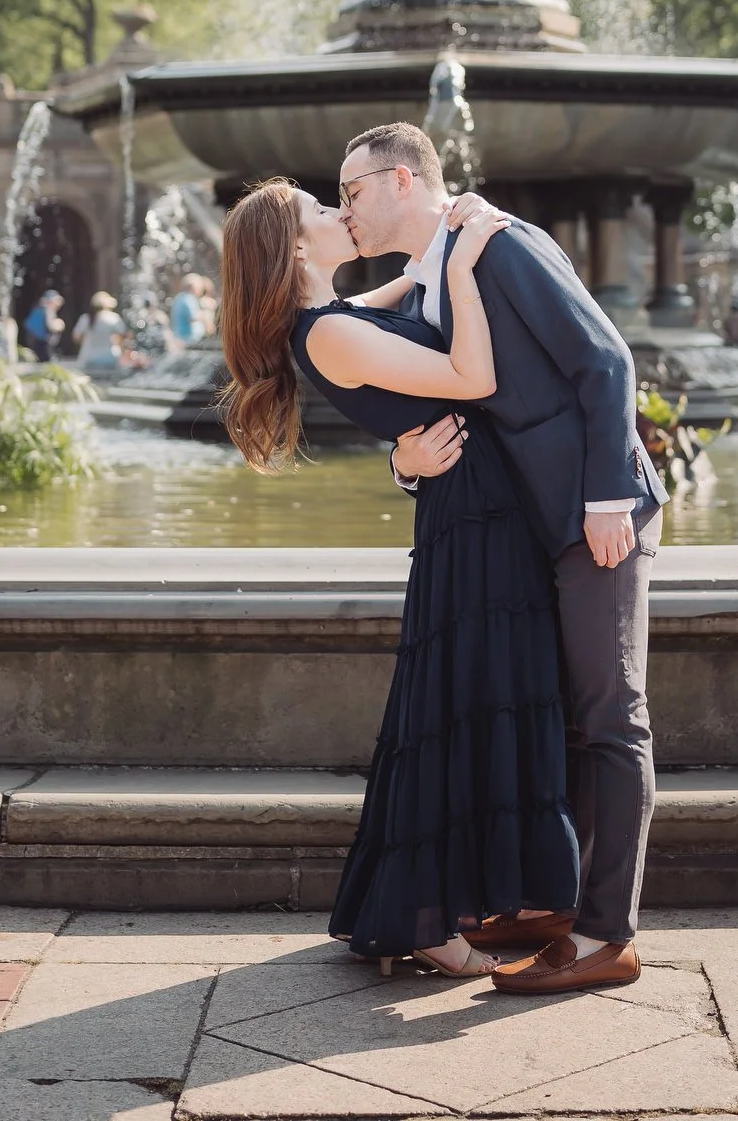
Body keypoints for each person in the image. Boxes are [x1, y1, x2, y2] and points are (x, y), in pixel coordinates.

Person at [219, 178, 580, 980]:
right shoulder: (329, 334)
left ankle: (469, 901)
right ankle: (430, 919)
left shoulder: (331, 319)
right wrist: (464, 262)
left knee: (468, 705)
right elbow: (472, 377)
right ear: (296, 249)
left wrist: (447, 237)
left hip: (473, 509)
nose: (337, 213)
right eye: (321, 211)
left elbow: (405, 287)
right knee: (456, 711)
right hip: (472, 523)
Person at [341, 122, 667, 996]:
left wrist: (607, 498)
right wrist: (404, 464)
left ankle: (609, 936)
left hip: (597, 518)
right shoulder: (432, 281)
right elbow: (447, 409)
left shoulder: (502, 244)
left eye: (353, 191)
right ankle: (558, 905)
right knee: (564, 721)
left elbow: (606, 360)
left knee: (611, 719)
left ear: (403, 179)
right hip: (530, 528)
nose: (346, 212)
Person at [72, 291, 126, 376]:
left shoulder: (85, 318)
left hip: (89, 357)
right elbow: (122, 336)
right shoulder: (113, 317)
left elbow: (76, 337)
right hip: (110, 357)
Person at [22, 290, 65, 362]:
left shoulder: (38, 308)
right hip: (41, 341)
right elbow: (51, 326)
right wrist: (59, 325)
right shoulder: (48, 310)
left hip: (32, 338)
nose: (59, 305)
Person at [169, 275, 205, 347]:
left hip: (179, 337)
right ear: (193, 287)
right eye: (200, 288)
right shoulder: (189, 298)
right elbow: (193, 317)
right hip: (189, 339)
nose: (201, 291)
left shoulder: (179, 297)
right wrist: (204, 315)